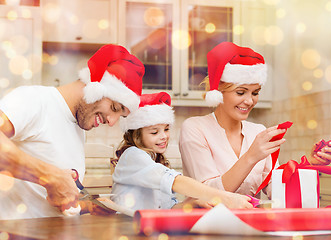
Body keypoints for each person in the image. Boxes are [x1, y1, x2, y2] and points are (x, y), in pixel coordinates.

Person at [0, 44, 145, 219]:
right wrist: (51, 177)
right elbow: (51, 180)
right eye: (115, 107)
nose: (112, 121)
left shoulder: (77, 127)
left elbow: (48, 201)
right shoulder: (34, 100)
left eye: (120, 116)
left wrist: (89, 206)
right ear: (95, 87)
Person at [179, 42, 331, 199]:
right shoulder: (194, 128)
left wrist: (309, 165)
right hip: (208, 222)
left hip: (251, 221)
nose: (249, 101)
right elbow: (209, 195)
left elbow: (277, 190)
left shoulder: (257, 131)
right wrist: (251, 156)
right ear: (218, 91)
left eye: (255, 93)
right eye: (240, 92)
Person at [111, 91, 253, 211]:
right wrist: (224, 197)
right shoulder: (132, 156)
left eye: (166, 129)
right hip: (127, 227)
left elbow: (169, 209)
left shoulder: (154, 161)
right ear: (136, 135)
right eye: (154, 132)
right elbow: (176, 182)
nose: (163, 136)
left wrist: (191, 204)